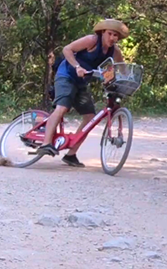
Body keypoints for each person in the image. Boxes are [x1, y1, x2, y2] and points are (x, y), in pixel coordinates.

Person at [36, 18, 128, 167]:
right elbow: (67, 49)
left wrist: (119, 79)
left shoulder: (114, 51)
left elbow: (121, 68)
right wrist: (77, 66)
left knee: (90, 117)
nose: (112, 38)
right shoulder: (91, 40)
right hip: (66, 75)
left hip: (81, 82)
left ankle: (71, 154)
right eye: (110, 34)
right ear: (103, 32)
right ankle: (45, 144)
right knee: (62, 108)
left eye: (116, 36)